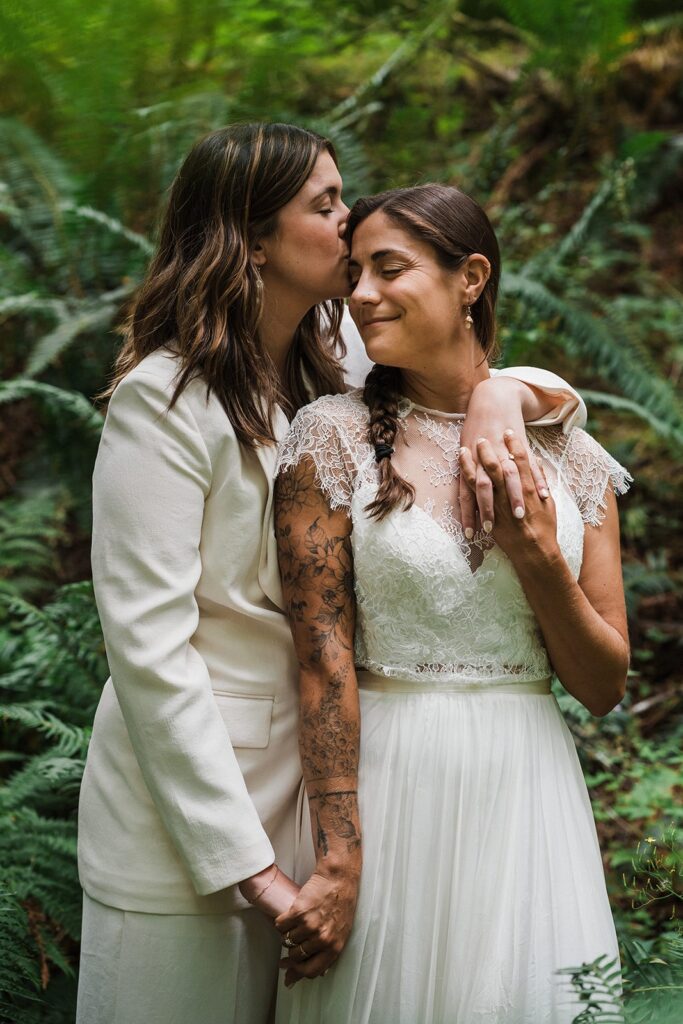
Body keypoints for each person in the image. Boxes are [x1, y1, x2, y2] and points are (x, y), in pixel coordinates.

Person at [76, 122, 588, 1024]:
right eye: (323, 204)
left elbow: (477, 370)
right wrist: (255, 874)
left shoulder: (339, 359)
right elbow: (149, 652)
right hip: (191, 813)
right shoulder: (163, 400)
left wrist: (510, 393)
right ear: (253, 238)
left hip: (327, 798)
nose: (347, 218)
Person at [273, 184, 631, 1023]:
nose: (358, 293)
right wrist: (337, 856)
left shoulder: (572, 459)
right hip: (391, 786)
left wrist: (538, 560)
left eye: (388, 268)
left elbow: (604, 684)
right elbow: (321, 660)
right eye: (353, 271)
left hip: (527, 790)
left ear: (470, 278)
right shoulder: (329, 439)